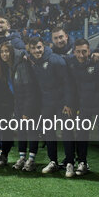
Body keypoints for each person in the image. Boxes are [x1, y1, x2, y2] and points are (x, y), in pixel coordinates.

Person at [27, 37, 73, 175]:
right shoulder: (33, 62)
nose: (37, 50)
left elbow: (67, 82)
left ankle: (70, 162)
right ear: (30, 50)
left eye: (39, 47)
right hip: (47, 103)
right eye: (34, 48)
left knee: (67, 132)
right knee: (48, 132)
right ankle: (53, 161)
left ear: (44, 47)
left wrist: (68, 103)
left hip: (62, 103)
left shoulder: (55, 60)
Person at [0, 42, 38, 170]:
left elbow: (30, 89)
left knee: (31, 131)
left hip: (28, 103)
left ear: (12, 52)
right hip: (18, 102)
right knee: (22, 132)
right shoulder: (10, 66)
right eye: (2, 51)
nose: (4, 54)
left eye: (7, 51)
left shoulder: (21, 65)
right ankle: (22, 157)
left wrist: (27, 110)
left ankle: (31, 160)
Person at [65, 39, 99, 176]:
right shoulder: (71, 63)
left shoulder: (98, 61)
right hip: (83, 105)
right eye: (78, 52)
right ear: (74, 52)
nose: (81, 55)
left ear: (89, 50)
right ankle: (82, 162)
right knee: (82, 134)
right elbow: (70, 87)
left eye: (84, 51)